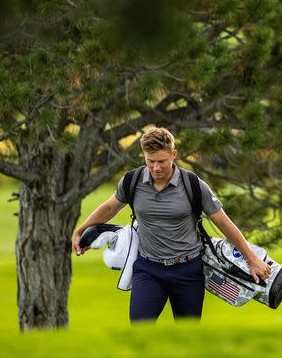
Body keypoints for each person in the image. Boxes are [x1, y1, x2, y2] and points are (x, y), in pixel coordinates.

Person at [71, 127, 271, 322]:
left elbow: (223, 223)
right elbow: (110, 208)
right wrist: (81, 230)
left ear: (173, 154)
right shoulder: (132, 181)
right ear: (144, 157)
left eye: (162, 161)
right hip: (148, 270)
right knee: (140, 333)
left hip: (188, 271)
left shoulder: (193, 184)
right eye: (151, 161)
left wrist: (252, 259)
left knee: (187, 340)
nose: (156, 168)